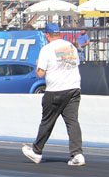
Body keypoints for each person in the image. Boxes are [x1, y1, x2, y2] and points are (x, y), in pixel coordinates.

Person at [22, 23, 85, 167]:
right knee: (72, 122)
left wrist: (37, 64)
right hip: (74, 88)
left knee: (47, 121)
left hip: (55, 90)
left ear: (47, 35)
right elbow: (75, 64)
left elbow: (40, 74)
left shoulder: (47, 49)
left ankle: (36, 152)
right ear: (59, 33)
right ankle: (77, 154)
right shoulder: (70, 46)